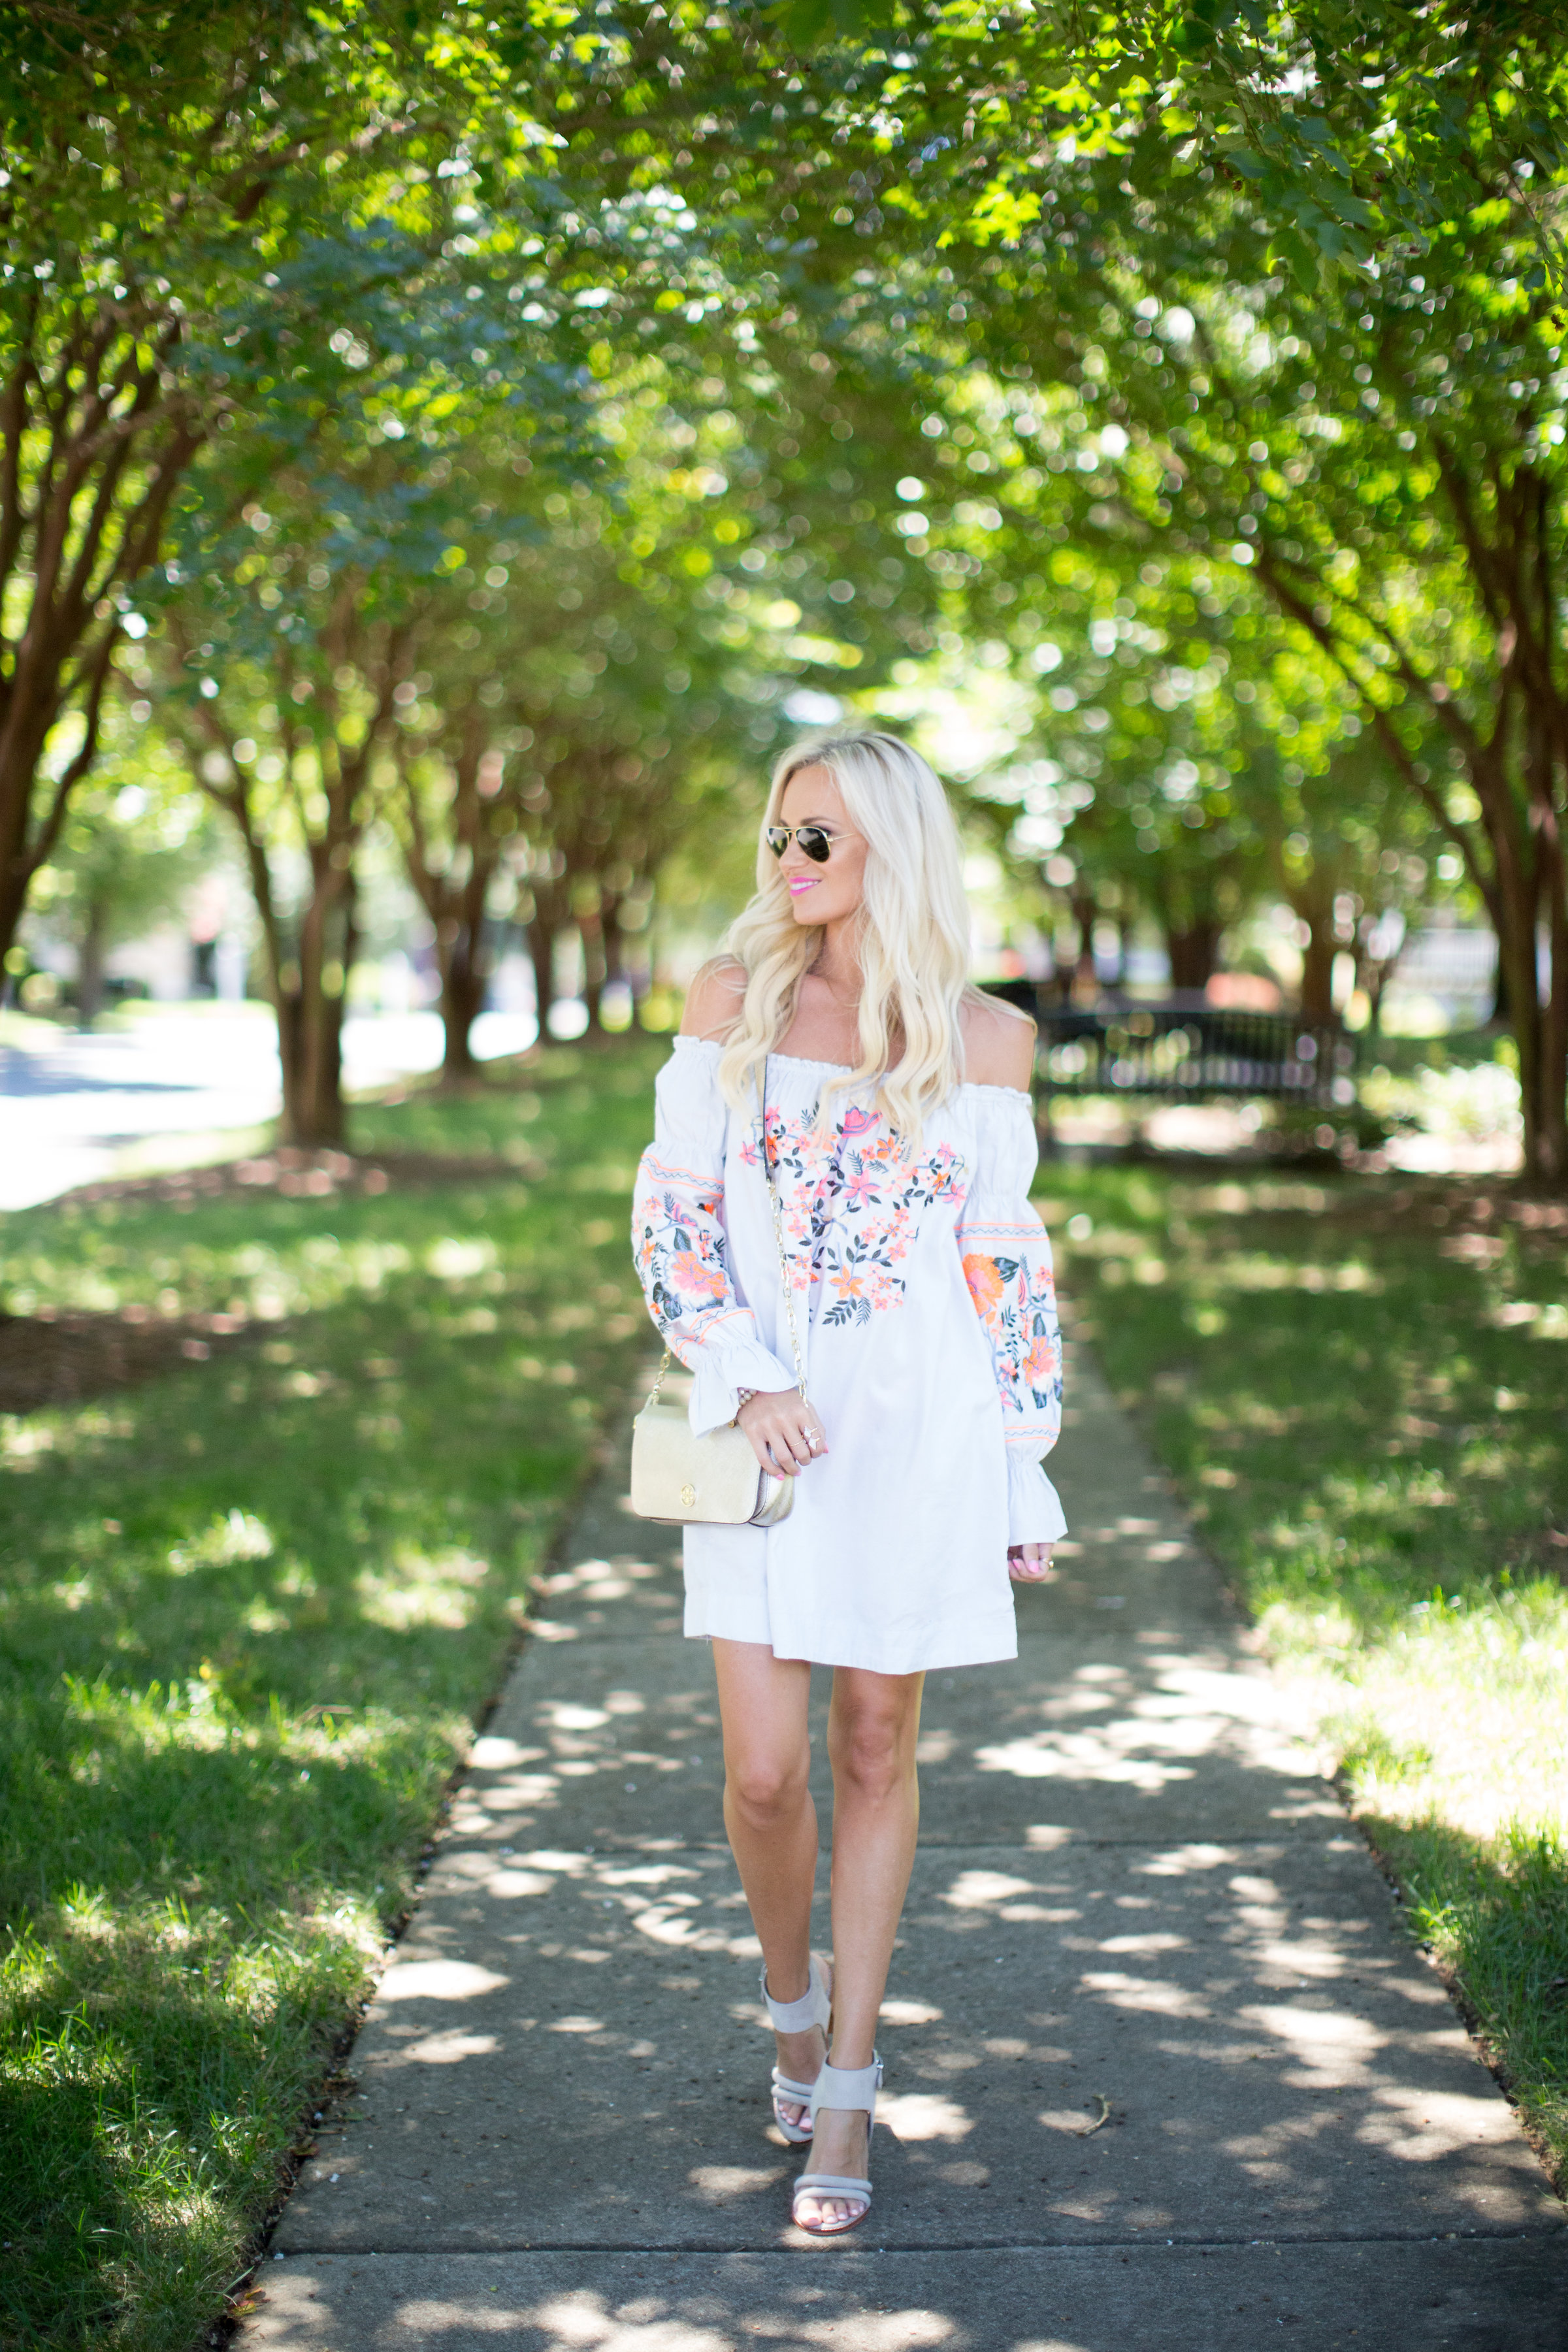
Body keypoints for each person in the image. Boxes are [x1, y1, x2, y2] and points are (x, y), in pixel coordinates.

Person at [630, 730, 1066, 2236]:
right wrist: (749, 1376)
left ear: (891, 846)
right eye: (777, 834)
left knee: (875, 1748)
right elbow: (673, 1218)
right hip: (763, 1430)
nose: (787, 862)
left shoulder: (985, 1038)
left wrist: (1024, 1475)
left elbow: (1004, 1270)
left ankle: (854, 2092)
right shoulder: (733, 1004)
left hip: (917, 1436)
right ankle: (790, 2015)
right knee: (765, 1773)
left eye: (818, 838)